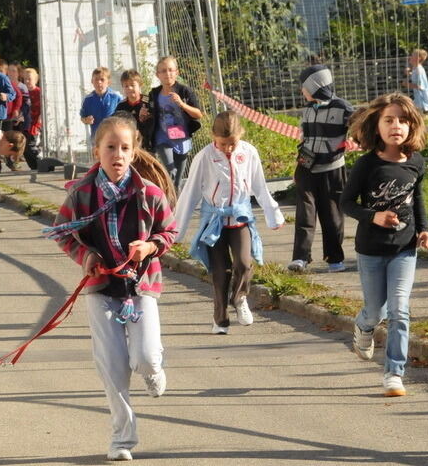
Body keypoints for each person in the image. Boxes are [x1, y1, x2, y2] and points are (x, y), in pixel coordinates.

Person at [43, 115, 177, 461]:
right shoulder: (82, 193)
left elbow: (170, 232)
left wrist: (150, 247)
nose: (118, 154)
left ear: (134, 152)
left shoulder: (149, 193)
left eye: (124, 148)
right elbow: (62, 231)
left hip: (141, 287)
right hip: (102, 289)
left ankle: (153, 370)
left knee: (144, 357)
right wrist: (84, 254)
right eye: (110, 147)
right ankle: (121, 441)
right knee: (113, 368)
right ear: (97, 152)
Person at [341, 92, 428, 397]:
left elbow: (417, 199)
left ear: (413, 125)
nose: (397, 125)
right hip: (370, 249)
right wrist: (373, 216)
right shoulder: (367, 165)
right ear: (377, 126)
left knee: (399, 309)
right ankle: (364, 327)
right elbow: (346, 203)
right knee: (374, 311)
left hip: (404, 249)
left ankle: (394, 373)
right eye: (389, 119)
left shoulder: (416, 163)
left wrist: (424, 230)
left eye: (403, 120)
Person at [175, 111, 284, 334]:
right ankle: (220, 320)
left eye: (233, 144)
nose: (229, 149)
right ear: (213, 136)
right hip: (214, 221)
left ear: (240, 136)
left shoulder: (249, 152)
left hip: (240, 217)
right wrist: (175, 231)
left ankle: (240, 297)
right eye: (224, 144)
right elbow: (190, 194)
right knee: (220, 272)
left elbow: (260, 186)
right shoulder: (204, 157)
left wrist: (274, 214)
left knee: (244, 263)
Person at [288, 64, 354, 273]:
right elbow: (304, 137)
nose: (302, 91)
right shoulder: (308, 108)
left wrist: (356, 137)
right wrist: (298, 167)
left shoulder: (342, 107)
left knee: (332, 214)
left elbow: (361, 126)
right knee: (304, 213)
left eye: (304, 87)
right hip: (306, 167)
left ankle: (334, 258)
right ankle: (301, 257)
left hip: (332, 169)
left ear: (315, 86)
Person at [148, 55, 203, 192]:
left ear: (177, 72)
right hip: (162, 137)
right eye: (163, 71)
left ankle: (176, 207)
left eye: (171, 70)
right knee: (170, 170)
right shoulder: (154, 94)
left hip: (181, 138)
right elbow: (150, 114)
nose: (167, 74)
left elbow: (199, 114)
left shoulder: (184, 91)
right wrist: (145, 115)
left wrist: (182, 104)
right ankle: (167, 205)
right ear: (158, 75)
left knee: (177, 181)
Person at [115, 69, 154, 152]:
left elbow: (155, 121)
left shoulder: (148, 102)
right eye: (126, 86)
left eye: (132, 85)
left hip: (148, 144)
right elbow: (117, 124)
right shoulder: (121, 105)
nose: (129, 88)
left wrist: (145, 118)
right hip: (129, 145)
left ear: (140, 85)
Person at [80, 67, 123, 139]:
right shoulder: (87, 100)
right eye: (96, 79)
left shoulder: (116, 97)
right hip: (96, 139)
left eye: (102, 80)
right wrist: (86, 120)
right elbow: (83, 117)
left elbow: (125, 116)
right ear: (92, 81)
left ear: (108, 82)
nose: (99, 82)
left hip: (114, 138)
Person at [402, 48, 428, 115]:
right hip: (419, 99)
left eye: (412, 56)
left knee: (421, 118)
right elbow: (416, 78)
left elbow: (420, 86)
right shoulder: (415, 69)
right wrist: (409, 73)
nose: (410, 57)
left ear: (418, 58)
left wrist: (407, 84)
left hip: (423, 100)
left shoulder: (419, 70)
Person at [22, 67, 41, 170]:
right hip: (25, 123)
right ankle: (33, 167)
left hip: (35, 123)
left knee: (32, 145)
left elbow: (44, 106)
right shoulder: (23, 93)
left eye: (30, 79)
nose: (27, 81)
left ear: (36, 80)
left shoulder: (39, 92)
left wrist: (41, 117)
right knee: (24, 146)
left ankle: (40, 164)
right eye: (25, 79)